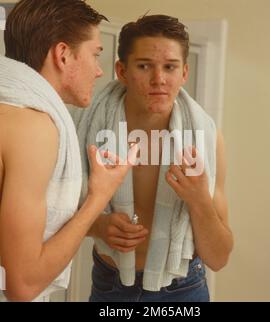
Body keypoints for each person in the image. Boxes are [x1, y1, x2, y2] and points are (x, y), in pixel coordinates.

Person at [72, 14, 233, 302]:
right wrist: (98, 227)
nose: (159, 79)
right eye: (145, 66)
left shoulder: (207, 140)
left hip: (183, 288)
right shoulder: (85, 128)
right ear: (122, 71)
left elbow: (219, 257)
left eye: (170, 67)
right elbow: (52, 215)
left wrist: (199, 201)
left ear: (184, 73)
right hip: (111, 284)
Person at [0, 0, 136, 302]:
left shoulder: (8, 109)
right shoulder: (32, 127)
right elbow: (22, 284)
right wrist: (98, 198)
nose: (100, 71)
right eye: (95, 54)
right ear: (63, 54)